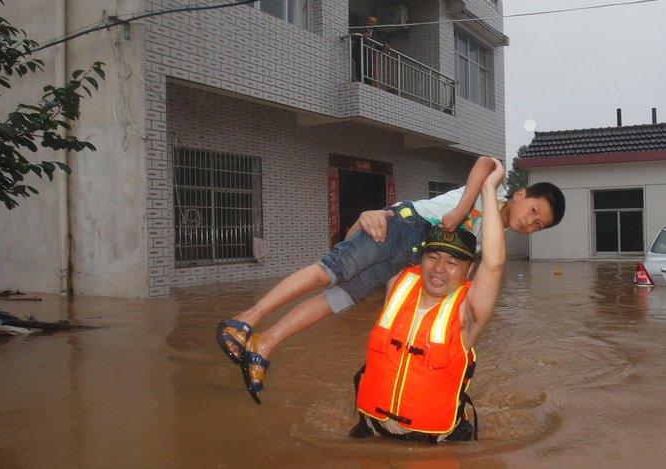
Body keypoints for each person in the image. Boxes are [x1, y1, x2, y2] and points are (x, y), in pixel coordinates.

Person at [216, 156, 565, 403]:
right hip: (401, 226)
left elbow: (471, 277)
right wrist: (462, 207)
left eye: (538, 225)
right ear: (520, 194)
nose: (530, 223)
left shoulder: (490, 236)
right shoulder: (489, 194)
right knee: (327, 271)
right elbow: (487, 163)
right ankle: (246, 319)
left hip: (406, 256)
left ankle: (264, 344)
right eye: (533, 211)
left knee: (336, 301)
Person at [349, 160, 506, 443]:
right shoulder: (398, 282)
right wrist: (365, 218)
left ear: (469, 270)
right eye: (432, 257)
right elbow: (350, 255)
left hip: (435, 445)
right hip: (372, 432)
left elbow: (493, 264)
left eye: (452, 262)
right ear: (420, 260)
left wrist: (488, 189)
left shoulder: (467, 312)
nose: (438, 269)